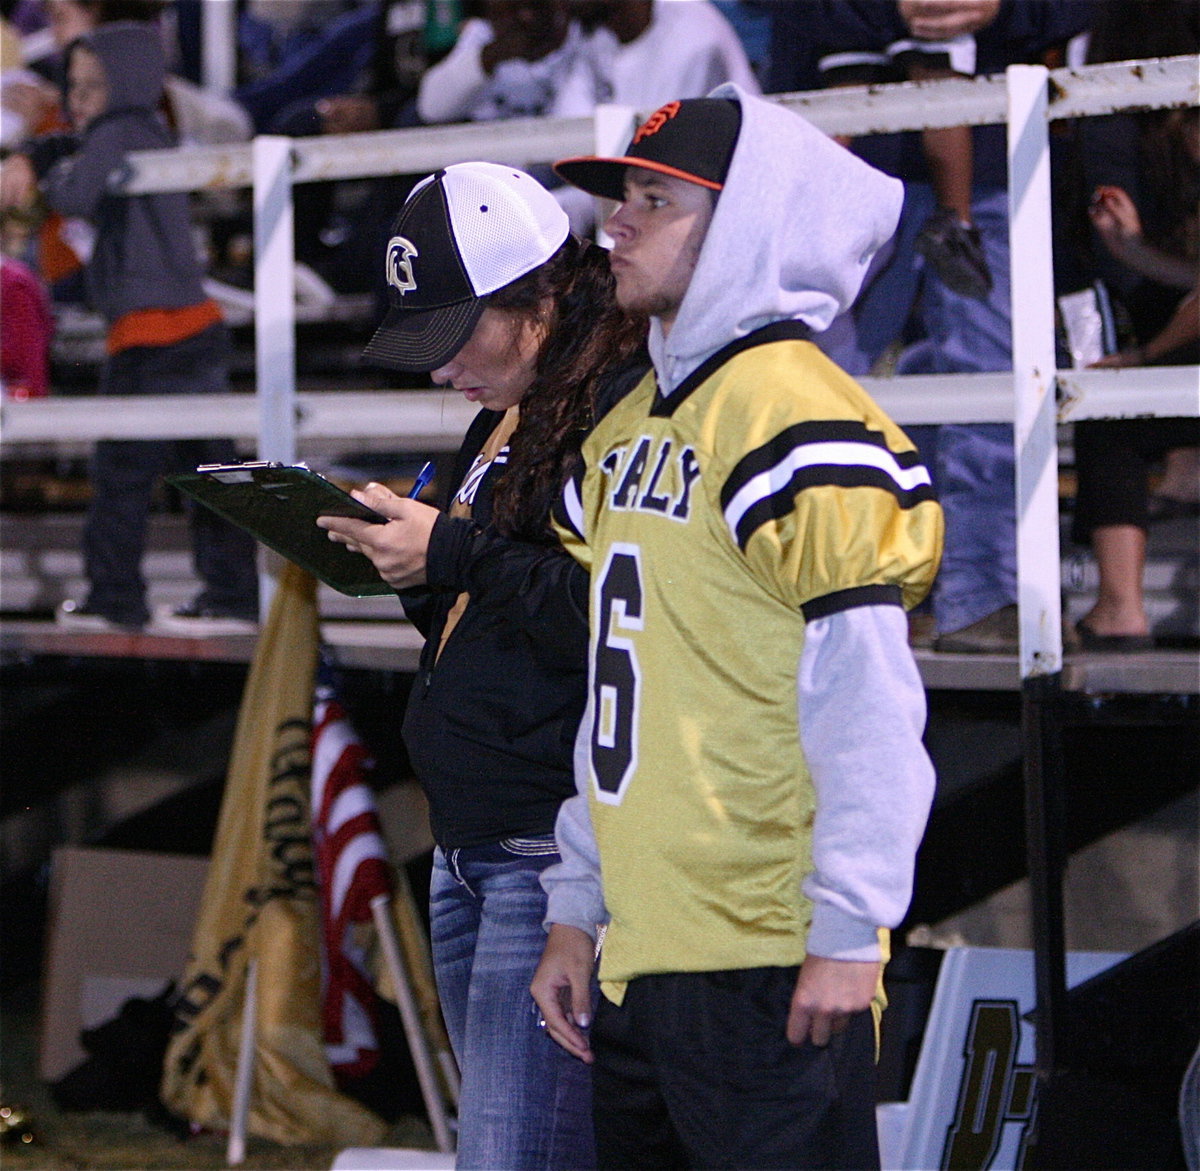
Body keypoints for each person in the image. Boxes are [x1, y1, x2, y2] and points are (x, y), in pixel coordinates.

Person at [529, 91, 943, 1169]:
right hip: (643, 949)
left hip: (766, 947)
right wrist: (578, 903)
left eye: (653, 201)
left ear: (748, 225)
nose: (615, 224)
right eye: (622, 198)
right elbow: (624, 693)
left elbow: (867, 698)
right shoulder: (631, 422)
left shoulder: (801, 416)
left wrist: (853, 924)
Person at [317, 161, 646, 1169]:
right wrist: (412, 561)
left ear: (542, 297)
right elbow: (498, 614)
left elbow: (631, 618)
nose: (439, 366)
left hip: (549, 847)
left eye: (456, 333)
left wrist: (452, 552)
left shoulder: (621, 404)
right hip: (478, 845)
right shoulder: (507, 412)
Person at [763, 0, 1095, 653]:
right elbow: (839, 79)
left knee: (992, 385)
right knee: (822, 393)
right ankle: (838, 597)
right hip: (860, 177)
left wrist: (1002, 8)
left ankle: (981, 597)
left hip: (985, 173)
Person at [0, 21, 258, 632]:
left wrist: (42, 171)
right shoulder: (145, 131)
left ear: (131, 83)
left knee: (121, 474)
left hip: (152, 336)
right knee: (208, 472)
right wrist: (42, 153)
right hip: (185, 327)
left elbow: (78, 194)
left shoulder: (120, 130)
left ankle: (115, 596)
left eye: (94, 85)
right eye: (75, 86)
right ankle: (233, 592)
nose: (78, 99)